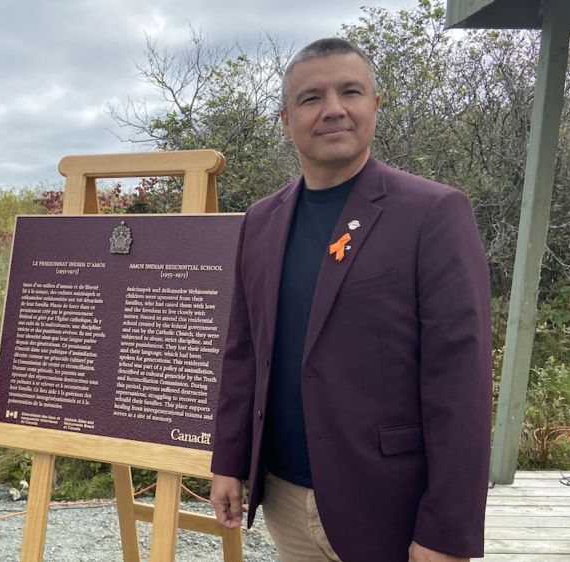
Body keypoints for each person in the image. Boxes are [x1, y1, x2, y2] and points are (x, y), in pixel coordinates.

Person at [209, 38, 492, 562]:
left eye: (350, 91)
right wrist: (228, 460)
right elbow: (243, 350)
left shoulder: (433, 214)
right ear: (285, 119)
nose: (333, 109)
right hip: (286, 502)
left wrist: (445, 532)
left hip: (391, 507)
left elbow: (461, 384)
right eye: (311, 97)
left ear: (375, 106)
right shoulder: (261, 222)